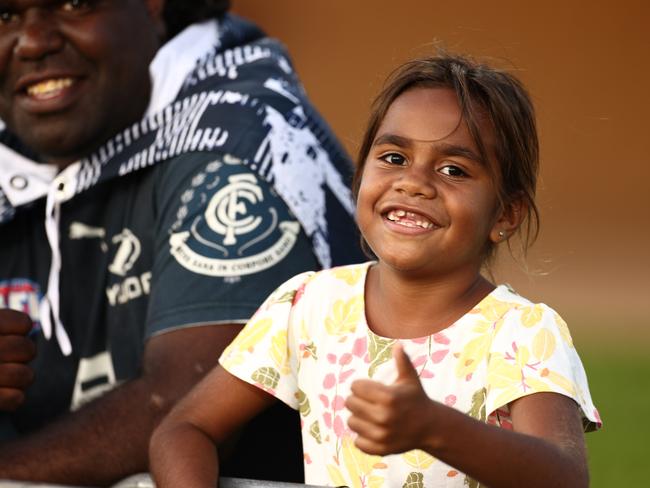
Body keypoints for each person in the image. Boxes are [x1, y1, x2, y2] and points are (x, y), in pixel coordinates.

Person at [149, 52, 602, 488]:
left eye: (453, 169)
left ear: (506, 214)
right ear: (360, 174)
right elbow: (185, 429)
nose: (413, 182)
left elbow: (564, 475)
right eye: (394, 158)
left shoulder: (522, 334)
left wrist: (437, 429)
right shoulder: (309, 306)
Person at [0, 0, 363, 485]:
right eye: (5, 15)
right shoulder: (16, 152)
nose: (34, 41)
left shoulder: (239, 134)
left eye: (73, 3)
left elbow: (180, 406)